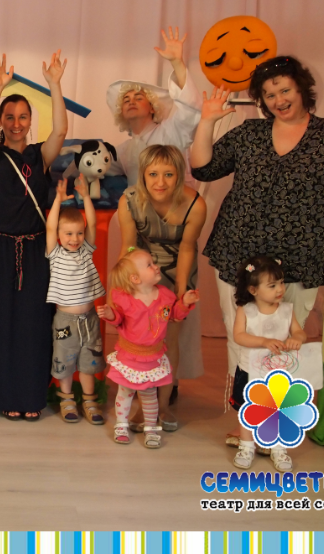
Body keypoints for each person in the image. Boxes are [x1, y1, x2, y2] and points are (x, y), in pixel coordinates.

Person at [189, 55, 324, 388]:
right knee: (240, 336)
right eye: (269, 95)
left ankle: (278, 409)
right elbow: (204, 169)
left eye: (285, 90)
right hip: (238, 251)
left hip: (299, 258)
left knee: (287, 340)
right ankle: (243, 411)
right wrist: (206, 122)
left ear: (302, 89)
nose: (279, 100)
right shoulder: (250, 133)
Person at [0, 49, 69, 421]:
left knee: (32, 324)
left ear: (30, 120)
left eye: (23, 117)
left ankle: (30, 395)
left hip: (35, 250)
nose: (17, 123)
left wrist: (55, 84)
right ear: (2, 121)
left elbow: (61, 131)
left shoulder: (40, 156)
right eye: (10, 116)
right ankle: (2, 394)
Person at [118, 145, 207, 432]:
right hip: (141, 270)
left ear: (179, 175)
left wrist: (179, 292)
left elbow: (187, 248)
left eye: (168, 174)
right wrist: (122, 288)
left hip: (178, 267)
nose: (160, 182)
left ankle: (163, 405)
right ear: (143, 175)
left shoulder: (195, 205)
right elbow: (128, 247)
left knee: (169, 339)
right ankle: (140, 405)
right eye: (153, 174)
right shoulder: (129, 201)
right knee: (138, 337)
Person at [98, 248, 198, 448]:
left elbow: (173, 316)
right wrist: (110, 315)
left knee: (150, 395)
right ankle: (121, 425)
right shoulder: (124, 298)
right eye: (149, 265)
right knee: (125, 392)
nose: (156, 266)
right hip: (129, 356)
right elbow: (119, 320)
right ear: (135, 278)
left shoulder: (165, 296)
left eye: (153, 262)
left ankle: (151, 428)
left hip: (152, 357)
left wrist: (184, 304)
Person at [229, 256, 307, 472]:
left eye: (281, 282)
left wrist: (297, 338)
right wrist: (263, 341)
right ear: (253, 290)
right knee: (247, 410)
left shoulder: (287, 310)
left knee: (278, 410)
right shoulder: (246, 310)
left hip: (278, 373)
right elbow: (239, 336)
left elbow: (299, 332)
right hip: (249, 369)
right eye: (272, 285)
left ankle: (278, 448)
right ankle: (246, 447)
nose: (280, 289)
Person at [106, 27, 201, 185]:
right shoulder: (123, 151)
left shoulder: (171, 131)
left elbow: (191, 110)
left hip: (175, 201)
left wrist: (177, 63)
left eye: (138, 98)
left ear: (152, 107)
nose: (131, 102)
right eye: (126, 100)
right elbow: (95, 164)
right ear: (121, 112)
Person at [45, 177, 106, 424]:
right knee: (65, 360)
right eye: (69, 234)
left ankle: (89, 400)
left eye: (79, 233)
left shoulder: (86, 251)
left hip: (89, 319)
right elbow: (50, 228)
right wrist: (58, 201)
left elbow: (92, 222)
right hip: (65, 322)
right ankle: (66, 398)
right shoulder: (55, 253)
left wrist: (86, 197)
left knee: (89, 361)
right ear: (60, 235)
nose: (75, 238)